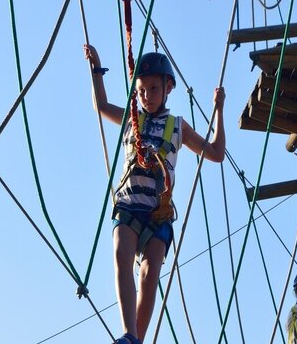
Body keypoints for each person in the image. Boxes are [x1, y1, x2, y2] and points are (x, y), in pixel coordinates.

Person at [84, 44, 226, 344]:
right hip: (128, 205)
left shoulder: (177, 126)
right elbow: (101, 106)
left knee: (149, 276)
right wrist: (96, 70)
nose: (146, 96)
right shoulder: (131, 119)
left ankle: (137, 338)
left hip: (157, 212)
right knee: (122, 258)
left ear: (168, 88)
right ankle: (129, 334)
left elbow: (215, 153)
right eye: (141, 91)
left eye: (152, 89)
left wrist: (219, 111)